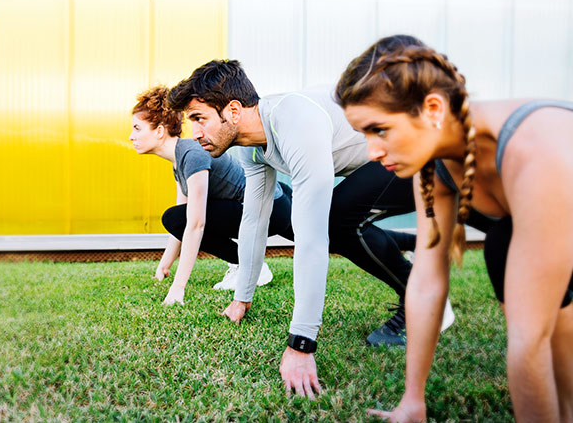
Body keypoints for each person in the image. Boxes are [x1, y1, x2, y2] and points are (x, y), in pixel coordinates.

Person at [168, 60, 454, 400]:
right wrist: (242, 298)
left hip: (429, 147)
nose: (194, 134)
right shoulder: (252, 148)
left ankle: (424, 300)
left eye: (199, 119)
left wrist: (301, 344)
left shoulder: (294, 123)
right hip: (393, 154)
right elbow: (254, 220)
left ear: (232, 111)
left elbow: (311, 240)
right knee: (343, 219)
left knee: (335, 220)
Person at [336, 34, 573, 422]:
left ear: (432, 108)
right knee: (503, 248)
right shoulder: (434, 163)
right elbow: (428, 281)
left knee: (535, 341)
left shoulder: (535, 154)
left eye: (379, 129)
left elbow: (528, 345)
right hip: (528, 230)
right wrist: (413, 400)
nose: (372, 151)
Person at [130, 86, 294, 305]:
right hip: (270, 205)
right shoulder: (181, 158)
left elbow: (195, 224)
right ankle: (248, 264)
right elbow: (184, 215)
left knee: (175, 218)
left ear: (160, 131)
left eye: (137, 128)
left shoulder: (192, 155)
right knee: (176, 217)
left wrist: (178, 288)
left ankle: (249, 266)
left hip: (270, 208)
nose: (132, 137)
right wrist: (165, 265)